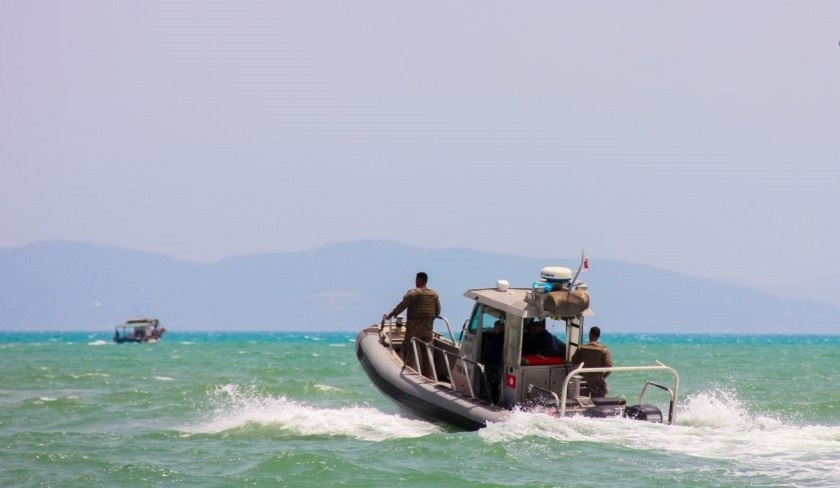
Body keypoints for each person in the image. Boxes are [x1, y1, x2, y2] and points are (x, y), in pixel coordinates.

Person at [385, 272, 441, 379]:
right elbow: (437, 311)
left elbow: (402, 306)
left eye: (416, 279)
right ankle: (428, 376)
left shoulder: (413, 293)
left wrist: (391, 315)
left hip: (414, 327)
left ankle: (409, 374)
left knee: (409, 349)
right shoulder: (434, 294)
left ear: (420, 280)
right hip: (428, 328)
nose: (415, 281)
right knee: (426, 352)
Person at [571, 326, 613, 397]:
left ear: (589, 334)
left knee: (583, 402)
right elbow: (609, 366)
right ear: (599, 336)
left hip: (583, 381)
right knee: (599, 403)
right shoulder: (604, 350)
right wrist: (603, 376)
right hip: (597, 382)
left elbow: (574, 361)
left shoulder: (581, 348)